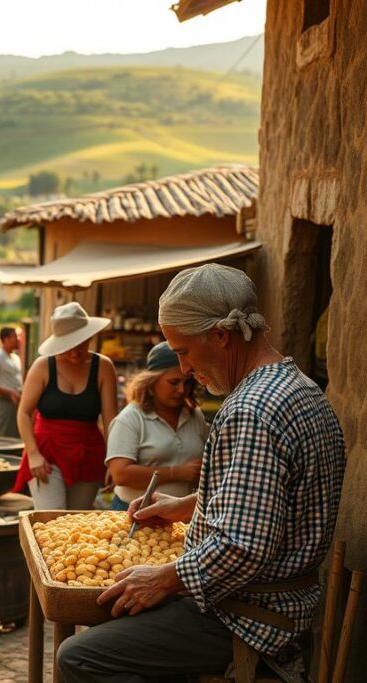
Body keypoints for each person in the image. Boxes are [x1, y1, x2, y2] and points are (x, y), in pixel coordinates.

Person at [58, 264, 346, 683]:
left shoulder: (251, 411)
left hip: (248, 616)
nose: (185, 368)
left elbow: (243, 546)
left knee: (79, 657)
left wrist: (164, 578)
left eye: (184, 351)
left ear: (222, 336)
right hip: (283, 601)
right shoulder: (299, 386)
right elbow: (265, 498)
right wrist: (186, 505)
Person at [13, 303, 118, 509]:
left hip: (88, 452)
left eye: (80, 344)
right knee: (51, 519)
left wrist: (115, 460)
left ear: (90, 336)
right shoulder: (43, 366)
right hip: (46, 453)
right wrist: (33, 453)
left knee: (77, 520)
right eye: (67, 346)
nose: (74, 353)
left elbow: (111, 420)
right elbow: (24, 413)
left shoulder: (103, 367)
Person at [104, 342, 207, 511]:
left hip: (180, 513)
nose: (181, 390)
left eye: (187, 383)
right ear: (151, 382)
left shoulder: (194, 415)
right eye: (173, 382)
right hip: (134, 511)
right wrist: (177, 472)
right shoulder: (130, 419)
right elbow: (120, 474)